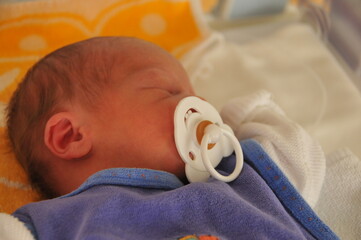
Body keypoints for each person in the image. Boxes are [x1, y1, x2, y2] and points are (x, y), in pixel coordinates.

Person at [5, 37, 338, 239]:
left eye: (196, 96)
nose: (203, 106)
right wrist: (247, 115)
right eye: (167, 91)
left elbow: (298, 158)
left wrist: (241, 122)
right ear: (71, 135)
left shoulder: (235, 178)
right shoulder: (64, 223)